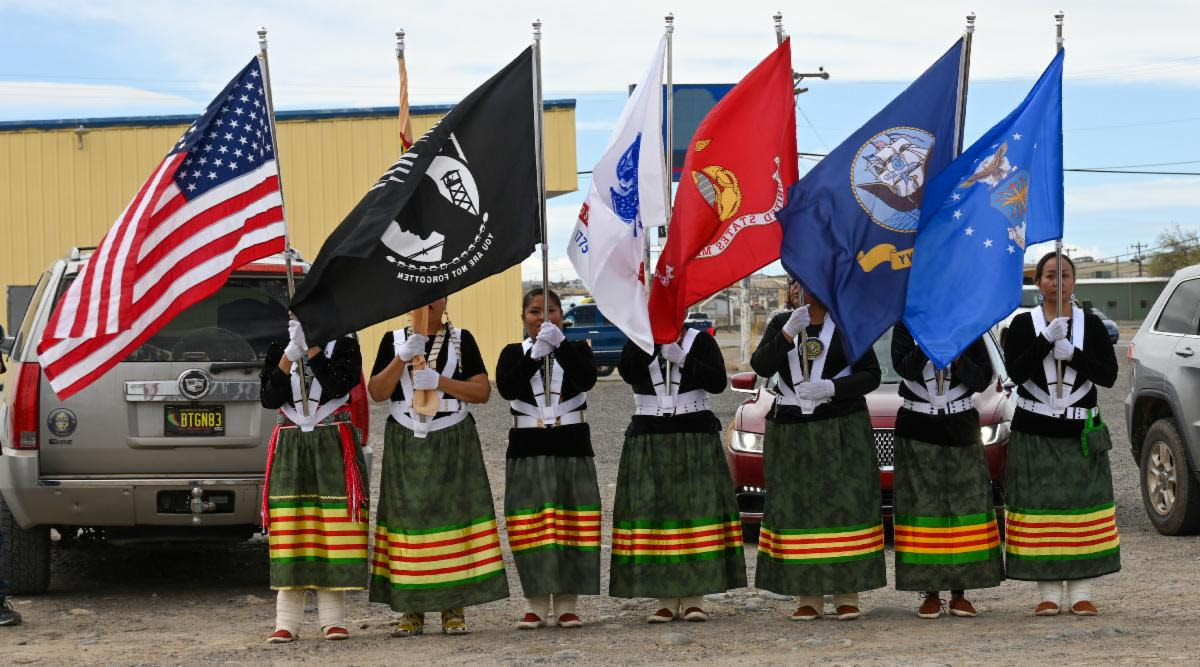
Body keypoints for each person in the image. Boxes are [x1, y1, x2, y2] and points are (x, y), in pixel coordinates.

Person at [367, 297, 507, 636]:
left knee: (453, 518)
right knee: (407, 522)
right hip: (406, 436)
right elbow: (377, 392)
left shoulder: (462, 340)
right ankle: (410, 608)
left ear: (445, 300)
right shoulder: (393, 340)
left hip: (451, 435)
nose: (428, 302)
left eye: (437, 295)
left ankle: (453, 606)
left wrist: (440, 382)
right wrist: (401, 359)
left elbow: (482, 392)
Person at [751, 279, 884, 621]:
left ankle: (847, 593)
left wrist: (832, 387)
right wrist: (785, 336)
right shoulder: (783, 323)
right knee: (800, 510)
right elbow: (761, 367)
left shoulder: (847, 322)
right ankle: (807, 595)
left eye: (811, 280)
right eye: (797, 282)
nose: (803, 288)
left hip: (840, 425)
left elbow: (871, 375)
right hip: (792, 429)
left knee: (844, 508)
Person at [1002, 253, 1119, 616]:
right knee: (1042, 514)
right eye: (1050, 275)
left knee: (1081, 511)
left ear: (1074, 282)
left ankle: (1082, 591)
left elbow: (1108, 376)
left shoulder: (1092, 326)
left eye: (1065, 275)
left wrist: (1075, 353)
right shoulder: (1022, 325)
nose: (1058, 282)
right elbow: (1015, 374)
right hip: (1034, 431)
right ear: (1038, 283)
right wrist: (1044, 343)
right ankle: (1048, 593)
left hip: (1078, 431)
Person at [609, 323, 746, 622]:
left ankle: (695, 598)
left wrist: (683, 358)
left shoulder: (701, 341)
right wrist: (648, 343)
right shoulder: (639, 338)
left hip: (694, 433)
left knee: (695, 514)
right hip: (649, 434)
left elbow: (717, 382)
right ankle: (665, 598)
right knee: (658, 517)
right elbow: (629, 372)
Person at [496, 289, 601, 630]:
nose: (543, 318)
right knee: (532, 525)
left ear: (561, 315)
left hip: (571, 441)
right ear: (523, 317)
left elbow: (587, 379)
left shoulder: (577, 350)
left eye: (551, 311)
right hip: (528, 443)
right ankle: (535, 603)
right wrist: (533, 356)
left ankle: (568, 603)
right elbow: (508, 388)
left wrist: (560, 347)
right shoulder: (512, 352)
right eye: (535, 311)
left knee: (572, 522)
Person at [259, 319, 367, 643]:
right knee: (293, 527)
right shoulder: (280, 348)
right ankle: (286, 622)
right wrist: (289, 356)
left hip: (332, 439)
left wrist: (314, 349)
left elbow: (338, 385)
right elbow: (268, 396)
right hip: (292, 443)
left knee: (331, 528)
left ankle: (333, 619)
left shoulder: (345, 346)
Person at [890, 322, 1004, 619]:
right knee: (925, 513)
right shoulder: (906, 324)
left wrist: (955, 356)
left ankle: (959, 592)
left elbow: (982, 378)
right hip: (918, 424)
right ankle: (930, 592)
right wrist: (926, 347)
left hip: (959, 423)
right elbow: (903, 367)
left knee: (963, 510)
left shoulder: (965, 324)